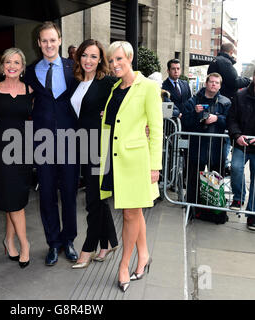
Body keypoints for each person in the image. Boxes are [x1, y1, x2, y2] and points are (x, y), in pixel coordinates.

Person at [99, 41, 163, 292]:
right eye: (111, 60)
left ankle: (124, 264)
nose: (114, 64)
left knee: (129, 214)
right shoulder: (115, 88)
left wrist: (154, 166)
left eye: (119, 59)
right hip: (115, 159)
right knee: (133, 213)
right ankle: (144, 255)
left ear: (130, 58)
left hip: (137, 161)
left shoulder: (148, 87)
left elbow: (156, 129)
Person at [25, 21, 79, 266]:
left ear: (59, 40)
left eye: (52, 39)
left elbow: (90, 95)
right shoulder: (29, 71)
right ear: (39, 43)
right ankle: (53, 243)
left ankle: (69, 241)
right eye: (44, 40)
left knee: (68, 193)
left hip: (70, 140)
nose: (48, 44)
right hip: (42, 142)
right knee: (46, 194)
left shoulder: (73, 68)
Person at [68, 39, 118, 269]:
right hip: (81, 145)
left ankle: (88, 247)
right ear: (79, 57)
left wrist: (109, 114)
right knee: (97, 197)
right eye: (85, 55)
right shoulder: (76, 82)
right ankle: (109, 242)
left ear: (100, 60)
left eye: (94, 56)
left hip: (100, 146)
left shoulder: (107, 82)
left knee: (92, 199)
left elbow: (125, 100)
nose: (89, 60)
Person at [0, 48, 33, 268]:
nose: (12, 66)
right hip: (1, 150)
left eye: (17, 62)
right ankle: (24, 244)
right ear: (2, 65)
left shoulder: (30, 90)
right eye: (8, 62)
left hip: (24, 150)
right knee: (14, 199)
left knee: (13, 198)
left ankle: (9, 240)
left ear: (23, 67)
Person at [182, 73, 230, 214]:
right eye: (211, 82)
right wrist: (197, 115)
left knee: (217, 180)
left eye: (216, 82)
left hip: (217, 147)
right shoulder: (193, 101)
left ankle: (215, 211)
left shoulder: (225, 102)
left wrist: (217, 118)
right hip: (197, 146)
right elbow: (186, 123)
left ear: (220, 85)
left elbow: (231, 121)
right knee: (193, 179)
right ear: (206, 83)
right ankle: (192, 208)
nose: (213, 84)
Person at [208, 43, 251, 176]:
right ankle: (223, 166)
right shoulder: (225, 62)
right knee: (224, 142)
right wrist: (248, 80)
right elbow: (235, 81)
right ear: (231, 52)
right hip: (224, 104)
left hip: (217, 104)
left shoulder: (215, 61)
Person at [227, 69, 255, 231]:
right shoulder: (240, 95)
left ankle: (252, 214)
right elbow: (232, 119)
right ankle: (238, 198)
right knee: (236, 169)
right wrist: (237, 135)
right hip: (240, 143)